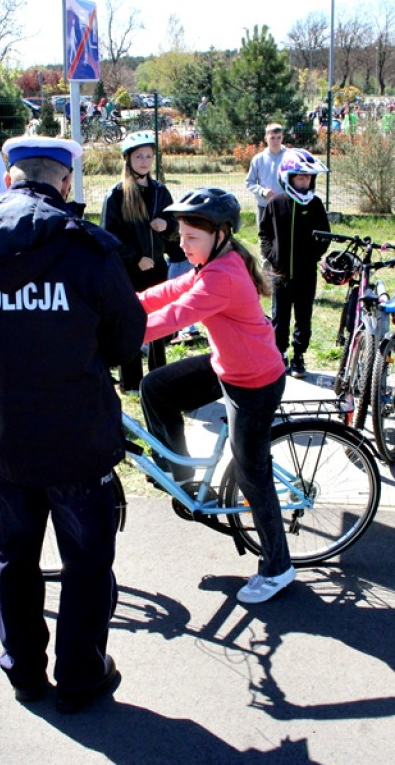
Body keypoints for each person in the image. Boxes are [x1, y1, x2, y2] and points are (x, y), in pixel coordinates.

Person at [0, 135, 146, 713]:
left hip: (3, 444)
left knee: (15, 560)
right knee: (86, 566)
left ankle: (24, 670)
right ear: (66, 182)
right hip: (77, 442)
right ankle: (80, 677)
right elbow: (127, 339)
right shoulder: (89, 250)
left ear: (7, 177)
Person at [136, 187, 295, 604]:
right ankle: (183, 482)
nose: (182, 244)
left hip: (254, 382)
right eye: (181, 236)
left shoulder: (222, 276)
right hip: (228, 365)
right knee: (156, 388)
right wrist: (122, 305)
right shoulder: (214, 262)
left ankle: (278, 568)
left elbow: (174, 315)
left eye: (191, 238)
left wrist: (116, 333)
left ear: (220, 234)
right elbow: (168, 293)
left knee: (251, 475)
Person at [100, 131, 177, 392]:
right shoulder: (117, 194)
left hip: (157, 268)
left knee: (159, 322)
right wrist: (136, 258)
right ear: (128, 159)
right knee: (132, 323)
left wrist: (167, 225)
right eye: (138, 156)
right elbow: (109, 236)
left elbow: (176, 227)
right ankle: (131, 381)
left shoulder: (160, 192)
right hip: (130, 271)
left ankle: (159, 376)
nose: (144, 161)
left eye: (148, 156)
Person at [258, 148, 330, 378]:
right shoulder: (276, 203)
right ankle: (279, 354)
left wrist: (313, 255)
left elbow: (325, 236)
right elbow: (264, 233)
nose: (304, 181)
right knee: (280, 317)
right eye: (300, 177)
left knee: (303, 317)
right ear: (288, 177)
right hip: (279, 274)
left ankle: (299, 355)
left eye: (308, 177)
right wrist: (272, 255)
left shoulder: (315, 205)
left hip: (306, 273)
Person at [245, 123, 286, 224]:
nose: (276, 141)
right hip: (264, 206)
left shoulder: (290, 157)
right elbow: (249, 182)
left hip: (285, 206)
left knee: (284, 238)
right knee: (264, 238)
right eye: (272, 138)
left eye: (278, 137)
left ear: (282, 138)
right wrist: (262, 191)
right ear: (266, 138)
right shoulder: (258, 159)